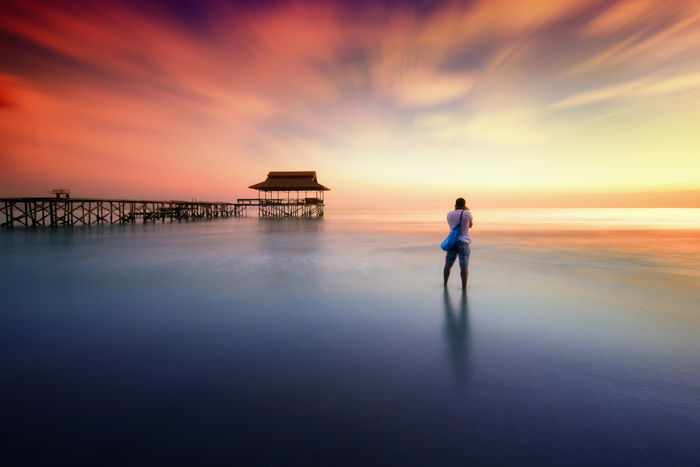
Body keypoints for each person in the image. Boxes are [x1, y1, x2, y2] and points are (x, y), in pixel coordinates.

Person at [443, 197, 473, 290]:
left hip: (452, 241)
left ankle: (445, 284)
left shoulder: (449, 214)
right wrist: (467, 210)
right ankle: (464, 287)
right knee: (463, 265)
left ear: (455, 205)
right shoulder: (467, 213)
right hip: (464, 241)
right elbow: (470, 225)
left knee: (448, 264)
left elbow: (452, 226)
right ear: (464, 205)